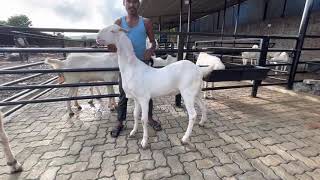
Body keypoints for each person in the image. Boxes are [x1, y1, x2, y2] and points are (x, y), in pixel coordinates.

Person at [108, 0, 162, 137]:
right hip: (126, 67)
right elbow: (113, 42)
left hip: (142, 64)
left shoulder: (146, 22)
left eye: (135, 1)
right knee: (123, 93)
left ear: (139, 4)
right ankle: (120, 121)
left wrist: (151, 50)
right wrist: (111, 46)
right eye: (129, 1)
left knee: (147, 94)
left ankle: (149, 118)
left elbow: (152, 42)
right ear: (124, 3)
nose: (132, 4)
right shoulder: (118, 23)